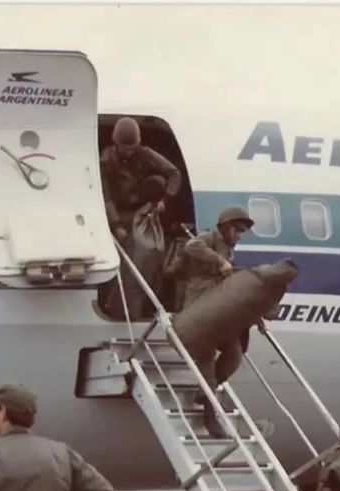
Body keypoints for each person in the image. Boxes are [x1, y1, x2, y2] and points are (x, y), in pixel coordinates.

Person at [181, 206, 256, 438]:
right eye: (237, 230)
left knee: (234, 354)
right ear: (225, 227)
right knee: (206, 360)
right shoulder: (209, 238)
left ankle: (206, 392)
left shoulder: (229, 249)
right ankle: (210, 414)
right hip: (199, 307)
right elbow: (190, 246)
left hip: (218, 308)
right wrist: (218, 260)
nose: (239, 235)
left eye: (242, 231)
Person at [100, 116, 182, 244]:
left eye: (133, 148)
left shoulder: (145, 154)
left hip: (141, 207)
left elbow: (174, 173)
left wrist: (165, 200)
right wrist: (116, 225)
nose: (130, 152)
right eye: (125, 149)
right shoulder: (106, 161)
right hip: (117, 209)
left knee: (158, 181)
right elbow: (106, 197)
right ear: (116, 144)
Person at [115, 174, 168, 319]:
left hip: (146, 254)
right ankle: (136, 317)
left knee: (140, 287)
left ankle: (137, 315)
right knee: (138, 287)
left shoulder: (144, 213)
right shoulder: (146, 213)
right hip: (145, 255)